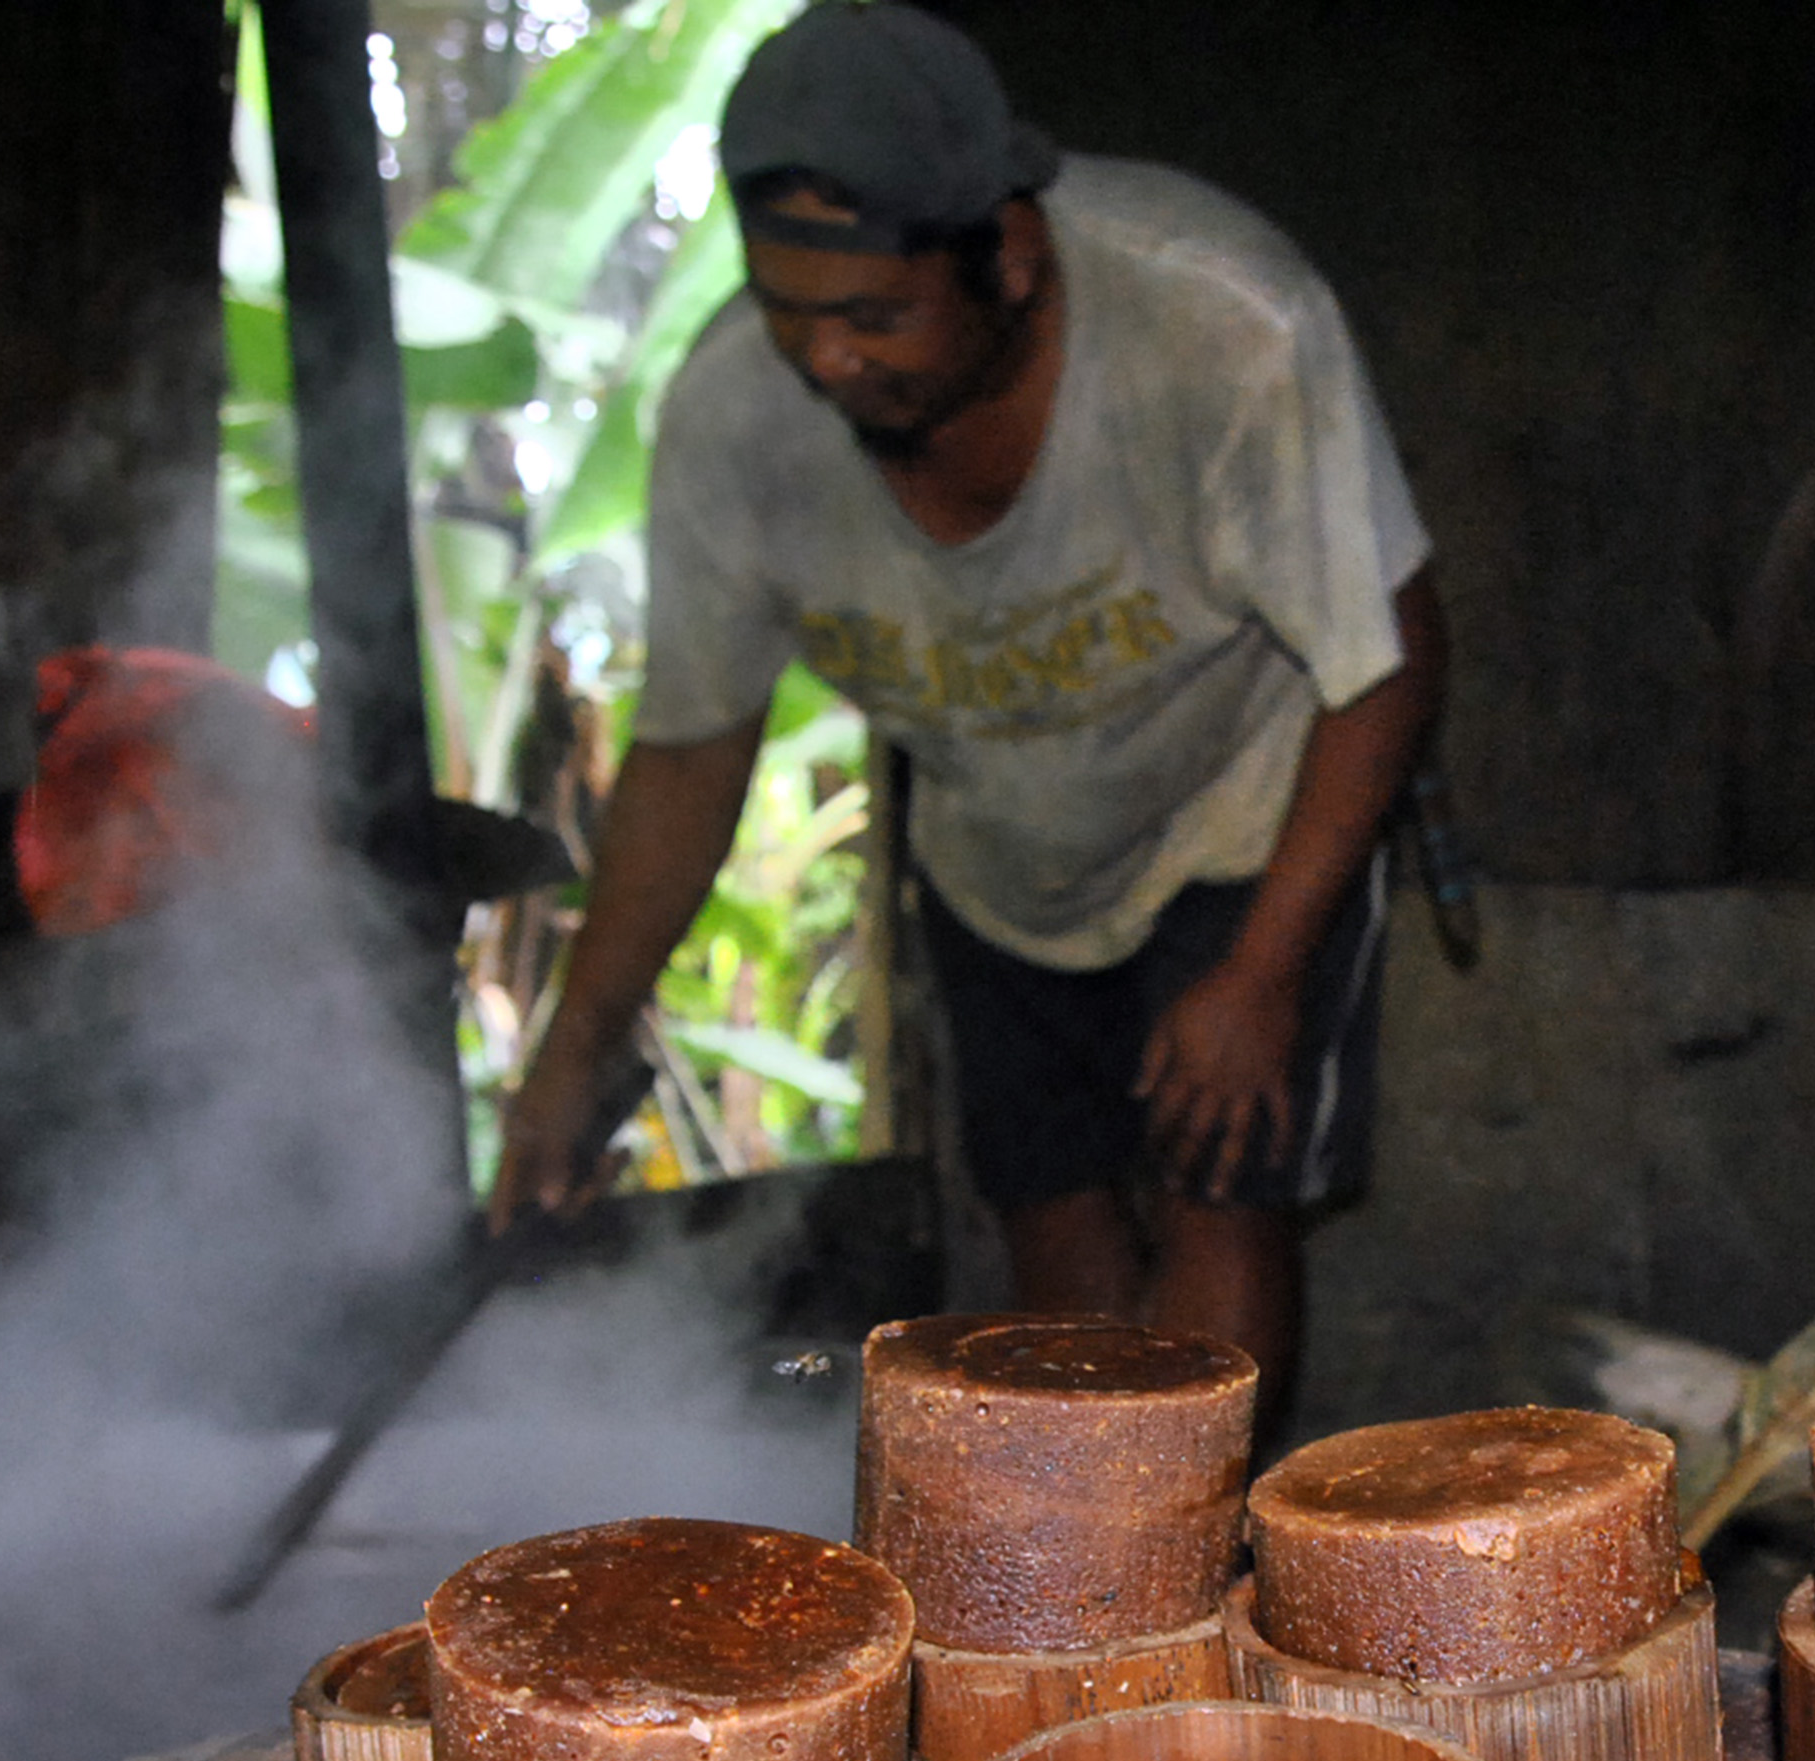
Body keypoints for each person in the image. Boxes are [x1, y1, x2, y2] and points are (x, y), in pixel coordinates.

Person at [486, 0, 1443, 1424]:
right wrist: (578, 1039)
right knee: (1048, 1215)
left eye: (874, 316)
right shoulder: (734, 422)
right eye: (787, 311)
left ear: (1007, 249)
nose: (828, 363)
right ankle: (1086, 1577)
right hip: (1000, 850)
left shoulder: (1220, 326)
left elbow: (1388, 658)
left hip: (1243, 807)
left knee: (1217, 1187)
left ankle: (1183, 1563)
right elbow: (693, 749)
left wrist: (1259, 975)